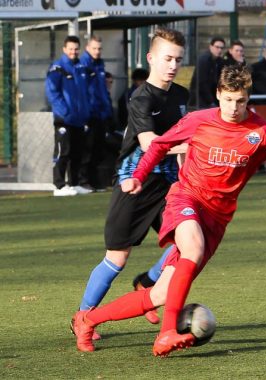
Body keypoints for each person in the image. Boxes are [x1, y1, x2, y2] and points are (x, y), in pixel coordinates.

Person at [71, 64, 266, 357]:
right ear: (218, 95)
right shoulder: (199, 120)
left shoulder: (262, 132)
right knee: (193, 249)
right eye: (228, 100)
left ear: (248, 98)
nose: (234, 107)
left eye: (240, 101)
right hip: (185, 199)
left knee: (161, 293)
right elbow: (160, 145)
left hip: (216, 219)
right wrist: (139, 174)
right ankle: (166, 333)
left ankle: (87, 319)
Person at [73, 28, 190, 338]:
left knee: (189, 241)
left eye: (178, 59)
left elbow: (179, 139)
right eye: (167, 58)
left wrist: (185, 175)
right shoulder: (140, 97)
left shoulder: (181, 95)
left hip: (167, 186)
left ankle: (148, 282)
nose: (173, 65)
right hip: (134, 184)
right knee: (117, 256)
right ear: (151, 58)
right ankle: (82, 316)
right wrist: (193, 146)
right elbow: (150, 142)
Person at [45, 35, 91, 197]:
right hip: (64, 118)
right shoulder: (57, 68)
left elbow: (85, 93)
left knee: (77, 152)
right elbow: (52, 92)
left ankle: (74, 183)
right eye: (70, 49)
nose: (73, 52)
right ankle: (58, 185)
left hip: (79, 119)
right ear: (64, 49)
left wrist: (85, 112)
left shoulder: (80, 67)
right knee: (63, 151)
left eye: (76, 49)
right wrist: (65, 112)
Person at [80, 35, 113, 192]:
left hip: (101, 114)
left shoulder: (100, 64)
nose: (97, 51)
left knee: (98, 149)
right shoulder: (83, 64)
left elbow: (101, 90)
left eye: (99, 48)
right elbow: (83, 91)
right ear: (87, 48)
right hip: (89, 114)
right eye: (94, 48)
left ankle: (95, 182)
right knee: (87, 149)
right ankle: (83, 180)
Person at [188, 36, 225, 109]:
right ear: (210, 47)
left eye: (221, 48)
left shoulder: (219, 61)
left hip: (211, 99)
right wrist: (211, 101)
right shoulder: (204, 59)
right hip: (200, 100)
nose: (219, 50)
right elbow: (202, 82)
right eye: (217, 47)